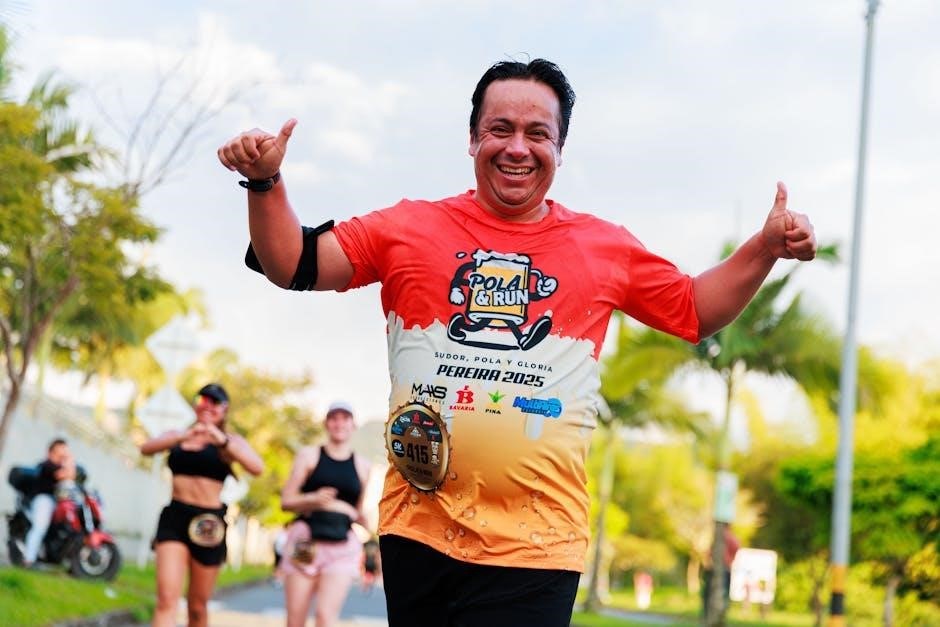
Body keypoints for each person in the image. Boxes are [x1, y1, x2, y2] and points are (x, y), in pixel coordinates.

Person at [217, 58, 817, 627]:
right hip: (417, 530)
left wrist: (763, 249)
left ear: (559, 148)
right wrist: (264, 181)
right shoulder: (409, 228)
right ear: (472, 139)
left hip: (538, 545)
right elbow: (293, 262)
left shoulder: (602, 247)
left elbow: (693, 309)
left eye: (538, 133)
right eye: (500, 129)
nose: (517, 147)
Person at [139, 383, 264, 627]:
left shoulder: (230, 441)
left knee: (197, 607)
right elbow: (146, 448)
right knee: (166, 600)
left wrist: (222, 441)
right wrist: (182, 436)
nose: (207, 406)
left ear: (224, 409)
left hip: (208, 523)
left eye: (215, 403)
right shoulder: (179, 434)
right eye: (203, 400)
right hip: (175, 517)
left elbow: (256, 467)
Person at [278, 400, 371, 627]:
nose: (339, 424)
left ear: (353, 425)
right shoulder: (309, 455)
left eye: (345, 419)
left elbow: (358, 511)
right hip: (306, 540)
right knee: (295, 620)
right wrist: (312, 499)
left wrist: (363, 522)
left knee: (325, 618)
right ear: (326, 424)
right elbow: (286, 501)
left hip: (341, 545)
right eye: (334, 418)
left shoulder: (363, 465)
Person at [22, 438, 77, 568]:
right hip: (44, 499)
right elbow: (67, 475)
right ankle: (28, 560)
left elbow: (71, 477)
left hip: (56, 501)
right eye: (61, 449)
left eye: (65, 449)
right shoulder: (47, 465)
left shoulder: (59, 466)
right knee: (40, 527)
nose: (63, 452)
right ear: (52, 451)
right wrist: (70, 459)